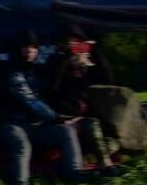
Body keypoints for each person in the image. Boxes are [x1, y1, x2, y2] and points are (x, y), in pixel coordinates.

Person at [0, 33, 89, 185]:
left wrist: (69, 63)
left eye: (34, 47)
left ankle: (74, 173)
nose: (30, 51)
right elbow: (29, 100)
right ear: (18, 49)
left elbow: (52, 90)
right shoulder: (11, 72)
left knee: (66, 132)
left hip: (36, 126)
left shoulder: (35, 71)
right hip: (12, 125)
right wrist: (56, 118)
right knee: (22, 145)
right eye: (26, 47)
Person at [43, 25, 121, 165]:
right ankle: (105, 162)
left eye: (77, 42)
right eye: (70, 42)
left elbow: (108, 81)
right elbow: (52, 89)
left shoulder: (85, 65)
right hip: (66, 115)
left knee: (113, 139)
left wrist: (95, 52)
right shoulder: (55, 62)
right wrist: (66, 60)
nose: (74, 46)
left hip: (87, 114)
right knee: (91, 125)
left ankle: (90, 156)